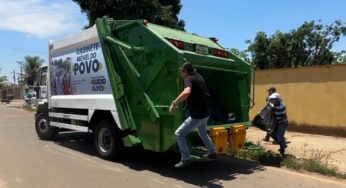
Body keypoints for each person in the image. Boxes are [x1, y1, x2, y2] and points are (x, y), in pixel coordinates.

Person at [169, 62, 216, 168]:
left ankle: (186, 158)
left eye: (181, 72)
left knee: (179, 134)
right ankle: (212, 152)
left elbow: (187, 92)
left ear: (185, 71)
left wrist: (174, 103)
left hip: (198, 115)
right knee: (202, 132)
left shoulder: (189, 79)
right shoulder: (199, 77)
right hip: (206, 113)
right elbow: (199, 93)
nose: (181, 74)